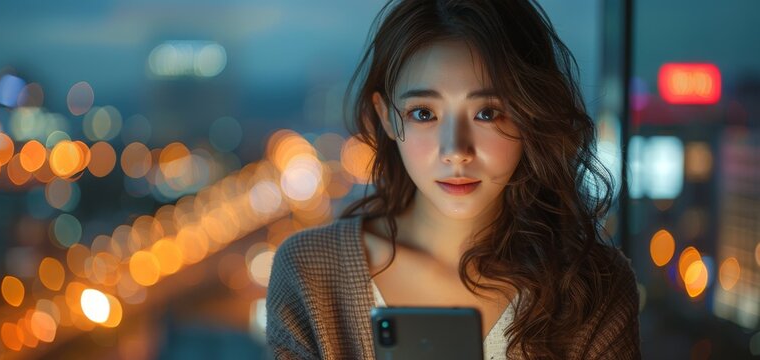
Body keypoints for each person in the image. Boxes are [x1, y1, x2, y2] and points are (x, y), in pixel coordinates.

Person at [265, 0, 641, 358]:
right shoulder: (311, 273)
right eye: (424, 113)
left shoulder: (593, 286)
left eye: (488, 113)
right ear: (386, 117)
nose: (456, 151)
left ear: (531, 114)